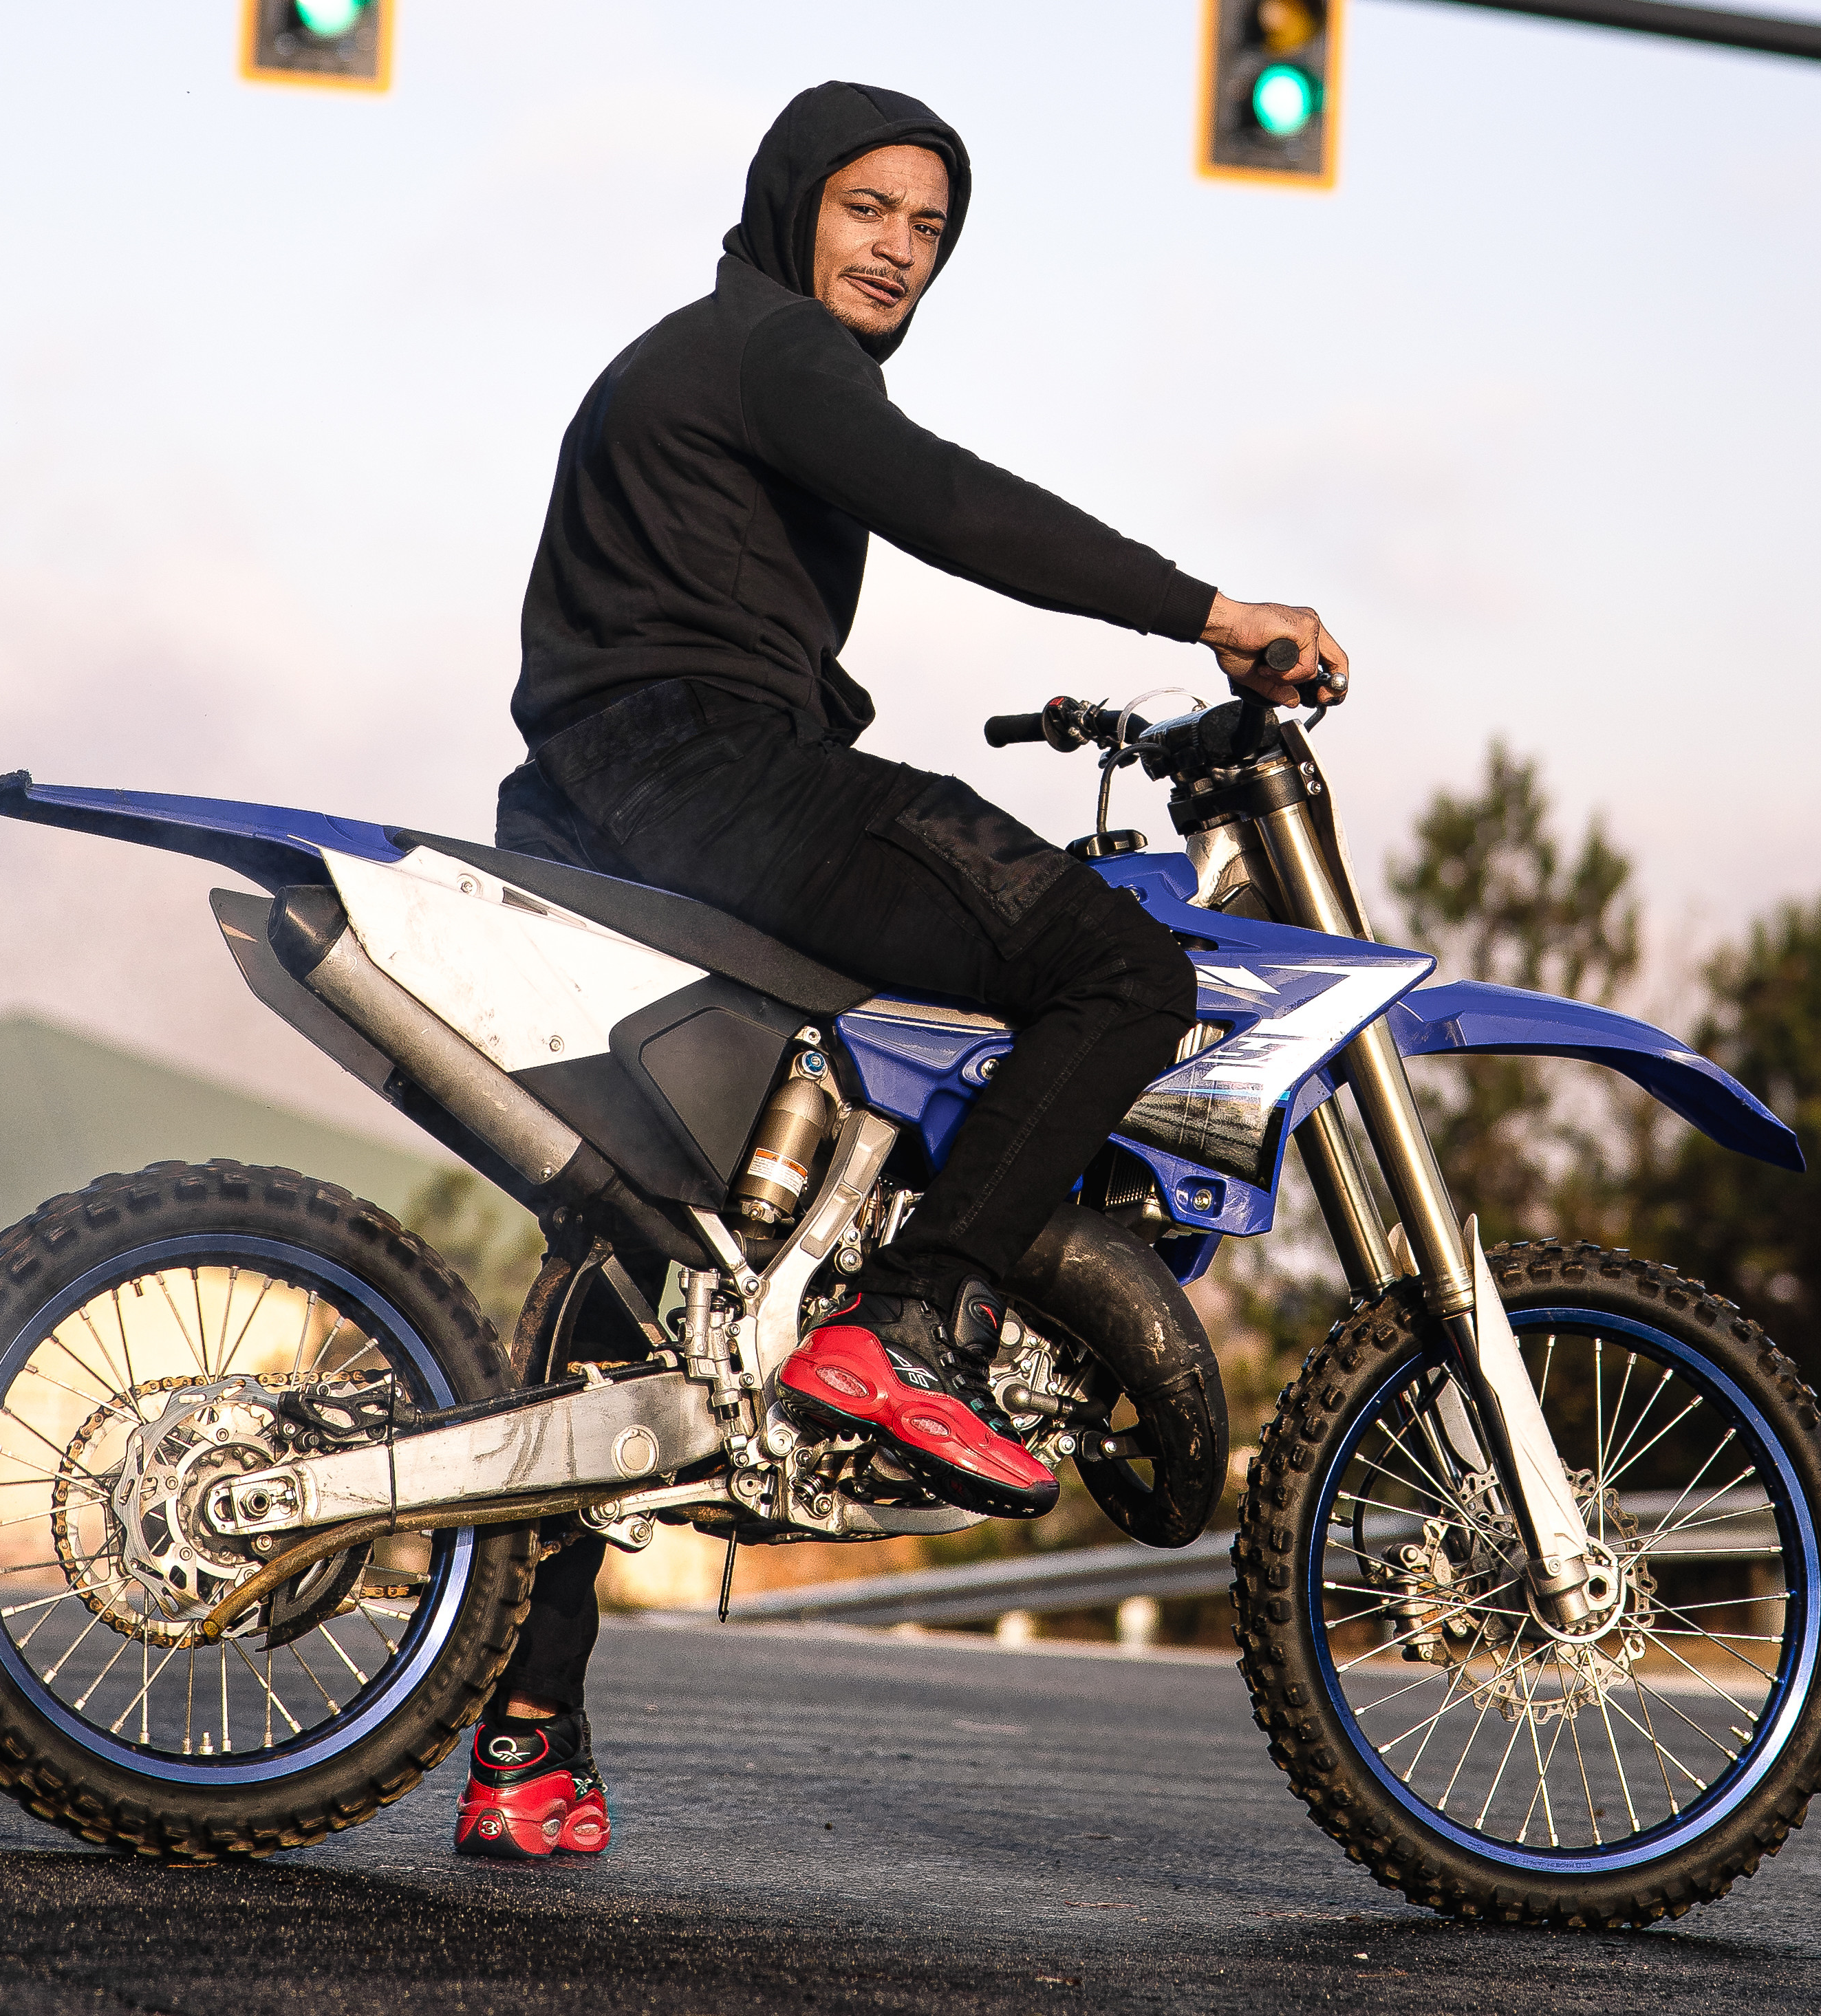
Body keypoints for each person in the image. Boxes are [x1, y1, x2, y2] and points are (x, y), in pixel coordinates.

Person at [455, 80, 1348, 1861]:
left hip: (592, 809)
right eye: (867, 208)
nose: (897, 251)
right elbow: (948, 501)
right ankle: (913, 1322)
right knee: (1117, 971)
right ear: (791, 204)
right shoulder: (774, 350)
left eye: (930, 229)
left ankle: (525, 1741)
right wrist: (1212, 614)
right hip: (709, 782)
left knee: (640, 1266)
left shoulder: (699, 364)